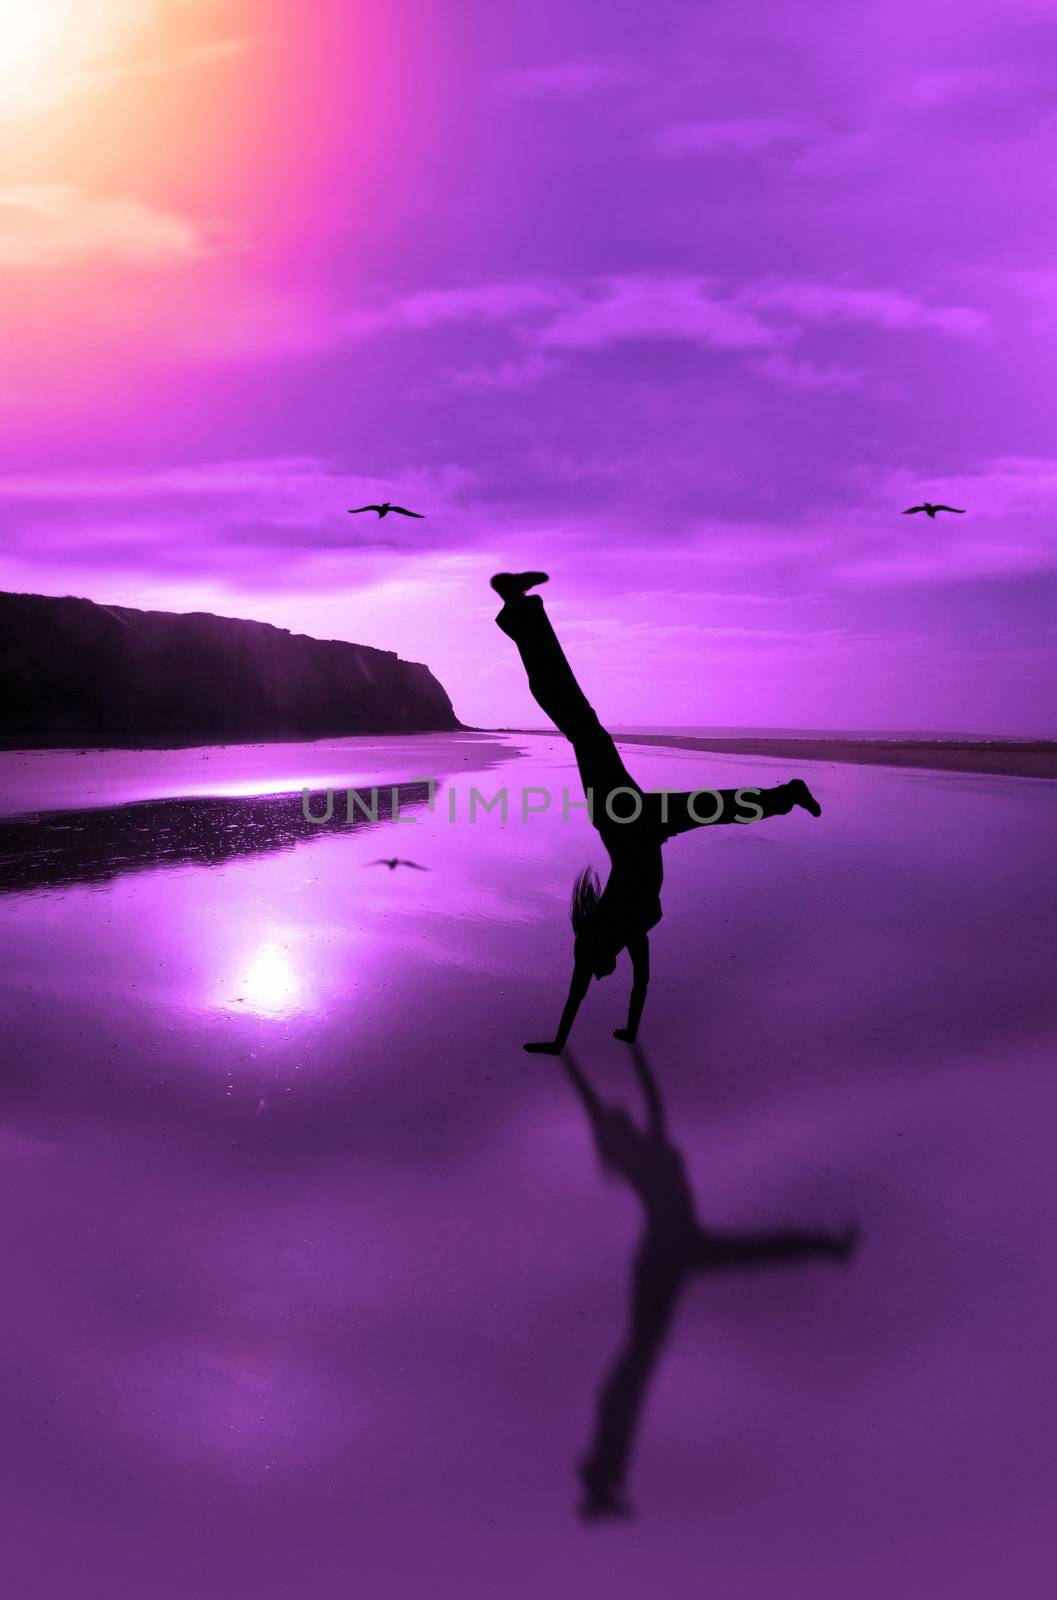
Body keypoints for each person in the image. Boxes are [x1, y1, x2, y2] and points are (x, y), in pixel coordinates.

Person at [491, 571, 823, 1052]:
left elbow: (580, 994)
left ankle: (520, 612)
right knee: (720, 805)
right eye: (600, 968)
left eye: (598, 969)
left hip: (625, 817)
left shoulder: (608, 937)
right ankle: (788, 793)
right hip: (643, 821)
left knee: (582, 725)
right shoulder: (629, 933)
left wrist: (560, 1043)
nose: (599, 973)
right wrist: (629, 1030)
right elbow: (640, 984)